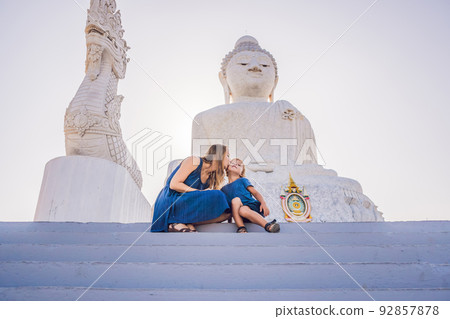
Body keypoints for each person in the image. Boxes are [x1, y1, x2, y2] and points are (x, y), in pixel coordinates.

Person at [150, 144, 231, 232]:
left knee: (226, 212)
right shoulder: (194, 161)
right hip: (172, 199)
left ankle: (187, 222)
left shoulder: (210, 178)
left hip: (187, 203)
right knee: (217, 195)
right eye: (228, 156)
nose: (229, 160)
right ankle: (174, 221)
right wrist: (199, 192)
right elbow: (174, 184)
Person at [221, 158, 280, 233]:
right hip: (239, 215)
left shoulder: (243, 180)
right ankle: (241, 228)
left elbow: (255, 193)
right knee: (235, 201)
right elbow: (229, 207)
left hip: (252, 207)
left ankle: (267, 225)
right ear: (227, 168)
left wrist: (263, 203)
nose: (235, 165)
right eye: (232, 163)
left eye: (239, 165)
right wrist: (229, 222)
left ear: (241, 173)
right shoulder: (223, 189)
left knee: (242, 210)